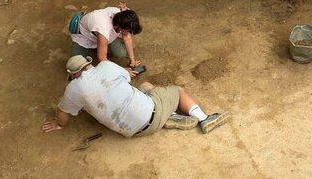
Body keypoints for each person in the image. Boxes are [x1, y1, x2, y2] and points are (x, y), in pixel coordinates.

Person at [42, 55, 230, 137]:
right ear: (88, 64)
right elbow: (126, 79)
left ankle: (170, 118)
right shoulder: (106, 65)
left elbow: (62, 111)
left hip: (131, 132)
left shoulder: (73, 89)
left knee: (146, 87)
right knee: (176, 91)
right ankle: (204, 119)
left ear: (73, 75)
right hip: (150, 112)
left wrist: (59, 124)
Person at [70, 3, 142, 76]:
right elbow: (102, 58)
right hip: (84, 37)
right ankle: (97, 47)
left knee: (120, 53)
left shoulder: (123, 16)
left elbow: (127, 37)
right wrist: (122, 71)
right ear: (118, 26)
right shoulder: (103, 30)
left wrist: (132, 60)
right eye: (128, 30)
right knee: (77, 67)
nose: (129, 33)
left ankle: (100, 47)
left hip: (99, 34)